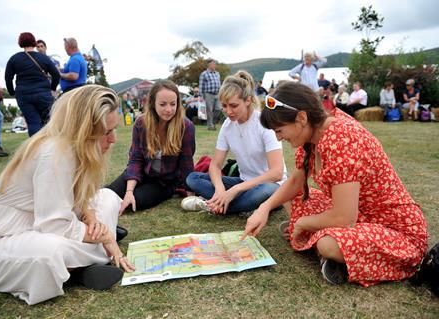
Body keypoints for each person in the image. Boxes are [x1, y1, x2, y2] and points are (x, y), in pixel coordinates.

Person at [0, 85, 135, 305]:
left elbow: (84, 195)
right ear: (83, 131)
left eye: (113, 129)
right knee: (51, 253)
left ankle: (81, 262)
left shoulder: (74, 147)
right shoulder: (54, 153)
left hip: (40, 225)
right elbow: (54, 225)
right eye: (106, 132)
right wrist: (106, 236)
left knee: (107, 197)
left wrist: (90, 217)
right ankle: (86, 262)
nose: (113, 139)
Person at [242, 81, 428, 286]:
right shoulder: (314, 135)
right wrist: (264, 208)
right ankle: (323, 246)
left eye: (279, 130)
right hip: (358, 215)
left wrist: (303, 223)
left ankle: (323, 248)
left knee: (328, 244)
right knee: (291, 199)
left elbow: (344, 217)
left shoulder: (342, 138)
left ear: (302, 117)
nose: (278, 138)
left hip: (395, 231)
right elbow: (296, 181)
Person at [183, 71, 287, 216]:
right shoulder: (227, 126)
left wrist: (234, 190)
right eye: (224, 106)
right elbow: (215, 165)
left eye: (233, 105)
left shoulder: (264, 123)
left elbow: (276, 173)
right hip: (243, 182)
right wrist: (220, 190)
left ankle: (213, 205)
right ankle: (230, 203)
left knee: (265, 191)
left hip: (269, 185)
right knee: (193, 178)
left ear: (248, 100)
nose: (228, 111)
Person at [106, 80, 195, 213]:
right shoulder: (141, 123)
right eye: (163, 104)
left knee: (135, 202)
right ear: (153, 103)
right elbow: (136, 159)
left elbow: (186, 162)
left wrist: (190, 194)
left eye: (173, 104)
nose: (169, 109)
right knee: (107, 194)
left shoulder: (185, 126)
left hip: (165, 182)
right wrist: (129, 190)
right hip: (142, 172)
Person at [5, 32, 60, 137]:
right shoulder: (43, 58)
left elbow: (8, 78)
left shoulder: (14, 59)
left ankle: (35, 148)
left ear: (20, 43)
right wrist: (52, 89)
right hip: (43, 93)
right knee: (48, 121)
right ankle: (49, 146)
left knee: (33, 122)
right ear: (34, 42)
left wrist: (12, 92)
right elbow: (56, 75)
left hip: (24, 94)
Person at [199, 58, 221, 130]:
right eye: (213, 64)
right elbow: (201, 85)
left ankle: (212, 122)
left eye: (215, 64)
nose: (215, 65)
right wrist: (201, 96)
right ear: (209, 65)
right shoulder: (204, 74)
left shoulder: (217, 73)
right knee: (209, 110)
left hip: (217, 94)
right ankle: (210, 125)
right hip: (208, 94)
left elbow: (219, 84)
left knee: (218, 109)